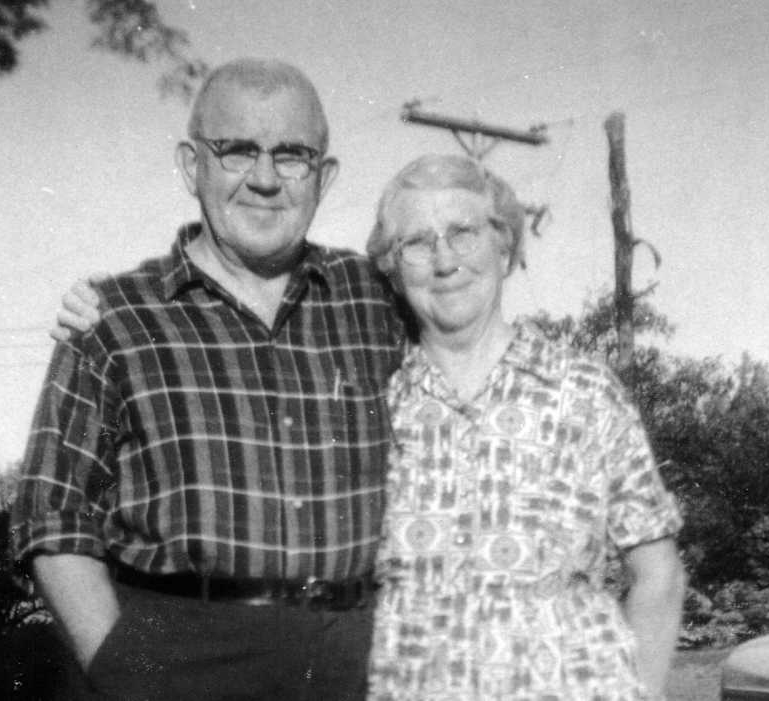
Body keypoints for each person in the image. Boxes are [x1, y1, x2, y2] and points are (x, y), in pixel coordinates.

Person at [56, 153, 686, 699]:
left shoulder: (585, 391)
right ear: (392, 268)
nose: (445, 260)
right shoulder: (378, 397)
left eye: (464, 232)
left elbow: (658, 574)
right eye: (418, 243)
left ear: (505, 244)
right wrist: (102, 309)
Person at [10, 57, 402, 701]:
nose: (265, 179)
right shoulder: (115, 320)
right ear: (192, 165)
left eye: (292, 155)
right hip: (179, 658)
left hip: (362, 657)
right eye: (237, 151)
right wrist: (126, 671)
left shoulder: (377, 300)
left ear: (324, 176)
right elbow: (52, 518)